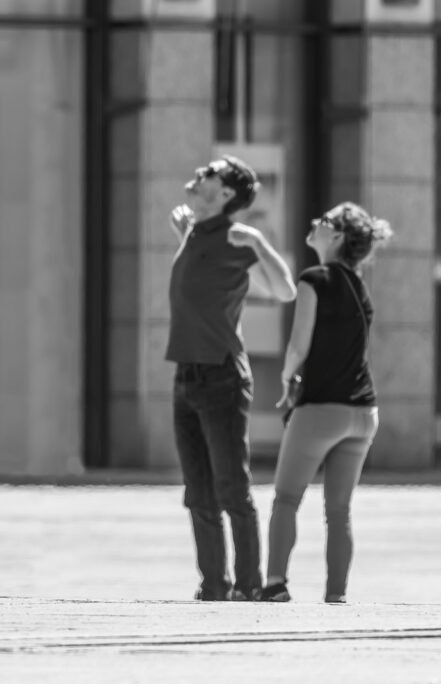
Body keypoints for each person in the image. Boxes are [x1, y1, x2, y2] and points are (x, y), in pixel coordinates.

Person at [166, 156, 297, 601]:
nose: (199, 174)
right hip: (186, 373)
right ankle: (214, 585)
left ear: (224, 194)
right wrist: (186, 233)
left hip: (221, 375)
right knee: (197, 492)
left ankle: (249, 585)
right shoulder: (194, 232)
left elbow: (284, 291)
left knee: (231, 490)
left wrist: (259, 242)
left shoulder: (238, 238)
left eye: (211, 173)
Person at [261, 202, 392, 603]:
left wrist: (287, 378)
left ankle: (275, 585)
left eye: (324, 221)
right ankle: (336, 595)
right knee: (339, 510)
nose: (314, 222)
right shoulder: (358, 285)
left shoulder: (314, 278)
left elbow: (298, 346)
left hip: (321, 409)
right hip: (363, 413)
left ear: (336, 236)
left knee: (286, 498)